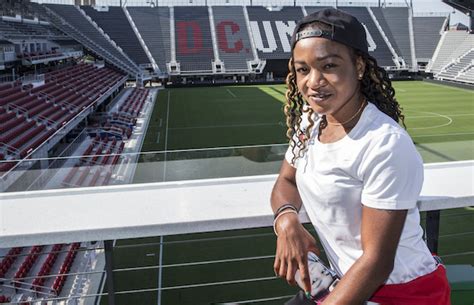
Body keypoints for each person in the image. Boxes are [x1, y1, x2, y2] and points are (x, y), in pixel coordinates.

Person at [270, 8, 451, 305]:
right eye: (303, 69)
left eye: (328, 66)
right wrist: (287, 222)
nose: (313, 82)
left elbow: (377, 262)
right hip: (343, 283)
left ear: (358, 67)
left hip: (397, 292)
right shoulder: (311, 119)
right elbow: (285, 181)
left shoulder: (384, 144)